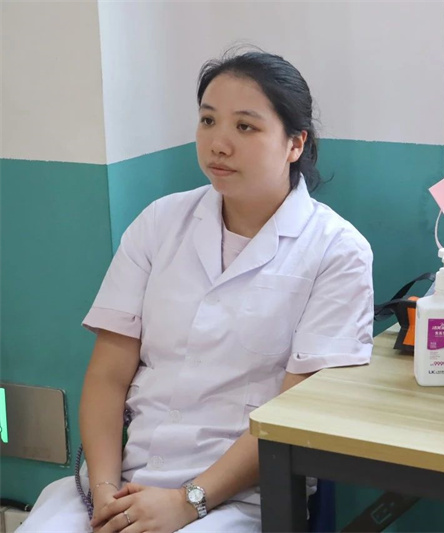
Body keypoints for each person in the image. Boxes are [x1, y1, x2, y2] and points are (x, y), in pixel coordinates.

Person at [18, 48, 374, 532]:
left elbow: (297, 415)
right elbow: (107, 377)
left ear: (295, 143)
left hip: (245, 498)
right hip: (126, 481)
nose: (218, 144)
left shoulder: (337, 251)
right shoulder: (160, 222)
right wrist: (104, 494)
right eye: (208, 121)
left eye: (245, 127)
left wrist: (188, 502)